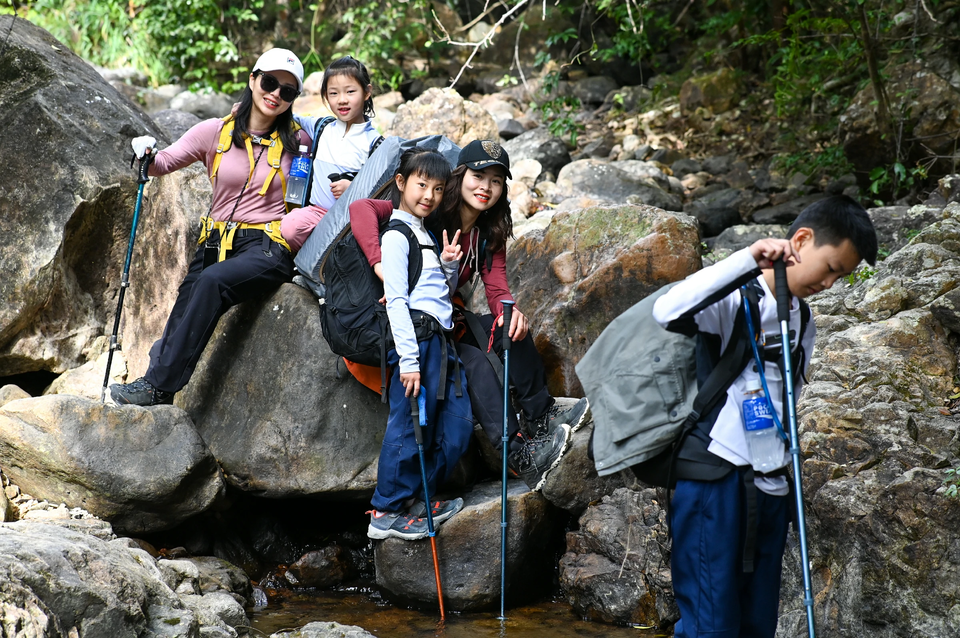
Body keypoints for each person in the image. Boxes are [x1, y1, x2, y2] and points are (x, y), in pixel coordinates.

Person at [651, 195, 878, 638]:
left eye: (840, 277)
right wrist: (747, 260)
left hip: (772, 486)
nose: (830, 283)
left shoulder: (803, 319)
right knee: (710, 626)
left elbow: (787, 401)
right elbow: (667, 310)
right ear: (802, 240)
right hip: (715, 480)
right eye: (830, 268)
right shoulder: (734, 298)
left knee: (758, 625)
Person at [350, 140, 589, 492]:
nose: (485, 187)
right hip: (408, 327)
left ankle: (540, 415)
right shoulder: (428, 207)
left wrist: (510, 311)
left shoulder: (487, 233)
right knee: (474, 364)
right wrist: (379, 264)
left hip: (446, 321)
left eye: (496, 181)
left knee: (510, 325)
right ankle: (519, 454)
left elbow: (497, 288)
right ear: (459, 176)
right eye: (478, 176)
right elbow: (360, 209)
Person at [110, 48, 310, 406]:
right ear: (253, 79)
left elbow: (320, 179)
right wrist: (145, 153)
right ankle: (157, 385)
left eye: (288, 91)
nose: (276, 94)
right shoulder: (215, 132)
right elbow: (162, 163)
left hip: (268, 246)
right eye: (269, 82)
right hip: (217, 242)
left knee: (212, 281)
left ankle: (157, 387)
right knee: (186, 303)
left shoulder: (300, 142)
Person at [366, 148, 474, 541]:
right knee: (409, 427)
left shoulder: (425, 233)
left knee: (456, 426)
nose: (429, 195)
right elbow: (397, 300)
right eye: (421, 184)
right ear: (401, 182)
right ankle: (385, 512)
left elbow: (437, 293)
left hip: (441, 343)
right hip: (417, 341)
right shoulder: (397, 235)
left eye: (438, 188)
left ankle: (417, 498)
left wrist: (448, 265)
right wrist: (409, 360)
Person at [280, 56, 383, 252]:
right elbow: (288, 116)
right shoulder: (322, 127)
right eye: (334, 93)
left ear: (367, 92)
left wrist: (353, 189)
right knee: (289, 227)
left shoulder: (374, 142)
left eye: (350, 91)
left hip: (349, 220)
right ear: (326, 96)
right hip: (316, 212)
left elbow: (380, 193)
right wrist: (248, 110)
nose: (342, 100)